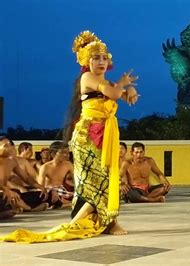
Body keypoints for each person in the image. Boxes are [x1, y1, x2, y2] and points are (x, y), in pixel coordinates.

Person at [2, 31, 139, 243]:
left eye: (104, 57)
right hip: (88, 136)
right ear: (87, 61)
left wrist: (129, 90)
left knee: (107, 179)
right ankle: (86, 220)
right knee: (94, 181)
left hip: (105, 134)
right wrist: (123, 84)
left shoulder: (106, 82)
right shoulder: (88, 77)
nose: (101, 61)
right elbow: (113, 93)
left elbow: (119, 93)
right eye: (95, 58)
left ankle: (109, 220)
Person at [37, 141, 74, 208]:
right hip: (50, 192)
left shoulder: (68, 164)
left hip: (62, 191)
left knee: (81, 197)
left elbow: (77, 181)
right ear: (53, 154)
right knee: (44, 195)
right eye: (63, 152)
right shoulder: (45, 167)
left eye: (68, 152)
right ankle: (62, 204)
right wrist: (52, 190)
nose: (67, 155)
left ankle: (63, 204)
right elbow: (40, 188)